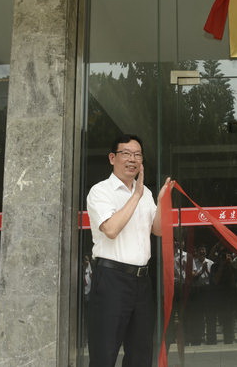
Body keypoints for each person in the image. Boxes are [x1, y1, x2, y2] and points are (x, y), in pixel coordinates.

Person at [86, 133, 170, 367]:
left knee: (140, 354)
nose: (132, 159)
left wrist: (162, 202)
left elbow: (158, 230)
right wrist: (136, 195)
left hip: (142, 282)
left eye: (138, 155)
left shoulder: (146, 193)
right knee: (104, 354)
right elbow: (111, 229)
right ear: (112, 158)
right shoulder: (100, 191)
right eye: (126, 154)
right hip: (111, 279)